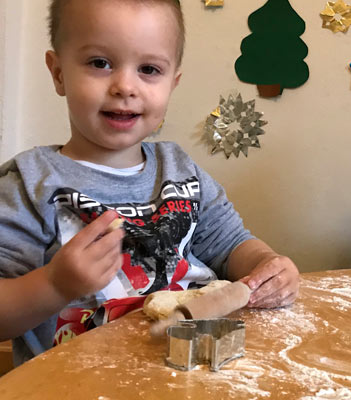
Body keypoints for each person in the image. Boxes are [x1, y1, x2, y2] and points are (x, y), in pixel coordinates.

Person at [0, 0, 299, 366]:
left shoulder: (180, 170)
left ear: (172, 83)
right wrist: (54, 285)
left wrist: (268, 264)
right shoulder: (30, 183)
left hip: (190, 374)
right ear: (59, 72)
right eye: (100, 63)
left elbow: (231, 244)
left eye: (148, 69)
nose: (125, 86)